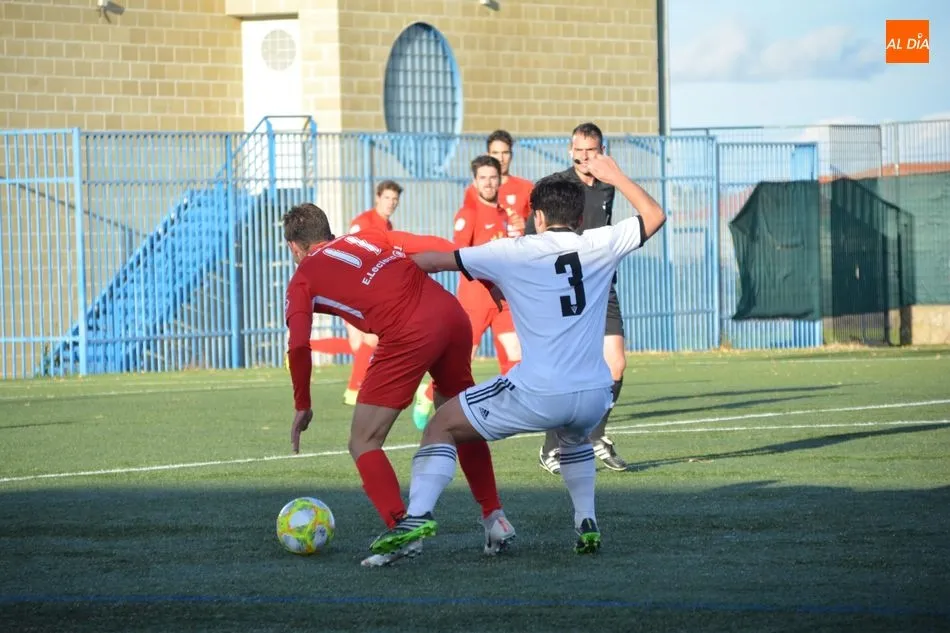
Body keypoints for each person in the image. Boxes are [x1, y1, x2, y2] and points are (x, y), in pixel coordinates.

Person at [368, 155, 666, 558]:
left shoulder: (513, 250)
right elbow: (654, 215)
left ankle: (417, 515)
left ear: (538, 217)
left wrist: (377, 268)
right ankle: (586, 522)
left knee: (441, 424)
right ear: (579, 220)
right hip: (596, 393)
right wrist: (616, 175)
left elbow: (433, 261)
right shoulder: (602, 242)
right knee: (574, 436)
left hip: (539, 391)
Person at [282, 203, 516, 567]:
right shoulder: (366, 238)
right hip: (450, 314)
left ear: (293, 247)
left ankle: (401, 526)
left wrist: (303, 404)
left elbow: (298, 344)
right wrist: (485, 279)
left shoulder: (302, 278)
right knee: (459, 420)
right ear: (328, 233)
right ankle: (494, 516)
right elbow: (435, 244)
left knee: (363, 440)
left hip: (408, 332)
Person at [530, 122, 630, 474]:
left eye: (593, 149)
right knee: (569, 370)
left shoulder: (608, 183)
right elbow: (534, 234)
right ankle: (550, 447)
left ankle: (596, 436)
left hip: (602, 286)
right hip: (567, 289)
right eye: (580, 150)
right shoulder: (557, 187)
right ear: (570, 150)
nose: (586, 156)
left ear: (603, 150)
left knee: (615, 364)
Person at [410, 156, 523, 429]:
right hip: (475, 300)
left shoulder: (504, 214)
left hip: (503, 299)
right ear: (475, 181)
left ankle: (512, 410)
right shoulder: (468, 214)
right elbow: (459, 257)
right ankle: (427, 393)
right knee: (460, 362)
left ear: (499, 179)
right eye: (483, 178)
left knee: (515, 356)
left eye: (493, 177)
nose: (488, 182)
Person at [341, 180, 403, 407]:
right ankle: (354, 389)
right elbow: (348, 250)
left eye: (395, 199)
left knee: (362, 344)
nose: (391, 203)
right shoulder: (363, 222)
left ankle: (357, 388)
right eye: (387, 198)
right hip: (356, 286)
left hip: (372, 287)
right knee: (369, 340)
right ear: (378, 197)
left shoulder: (389, 226)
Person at [462, 130, 534, 237]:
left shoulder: (526, 187)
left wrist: (526, 226)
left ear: (511, 155)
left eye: (505, 153)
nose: (500, 159)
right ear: (488, 155)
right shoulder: (473, 191)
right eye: (495, 153)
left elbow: (538, 224)